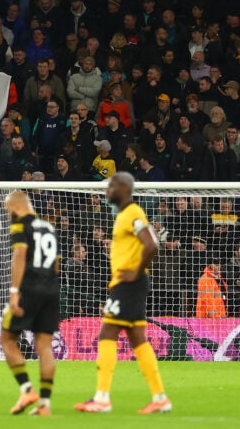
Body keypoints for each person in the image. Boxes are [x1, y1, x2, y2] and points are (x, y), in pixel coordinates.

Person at [76, 172, 170, 414]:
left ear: (125, 189)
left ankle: (102, 397)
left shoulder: (133, 213)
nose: (107, 190)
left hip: (129, 282)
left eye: (112, 186)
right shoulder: (121, 216)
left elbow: (151, 244)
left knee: (107, 331)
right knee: (138, 338)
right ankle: (159, 397)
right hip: (129, 283)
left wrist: (135, 271)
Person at [2, 190, 61, 416]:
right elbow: (56, 265)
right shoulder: (49, 228)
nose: (9, 215)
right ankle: (45, 404)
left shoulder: (20, 225)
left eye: (9, 211)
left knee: (7, 339)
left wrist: (15, 291)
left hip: (29, 289)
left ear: (16, 207)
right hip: (51, 289)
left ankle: (27, 389)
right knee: (44, 346)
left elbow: (19, 255)